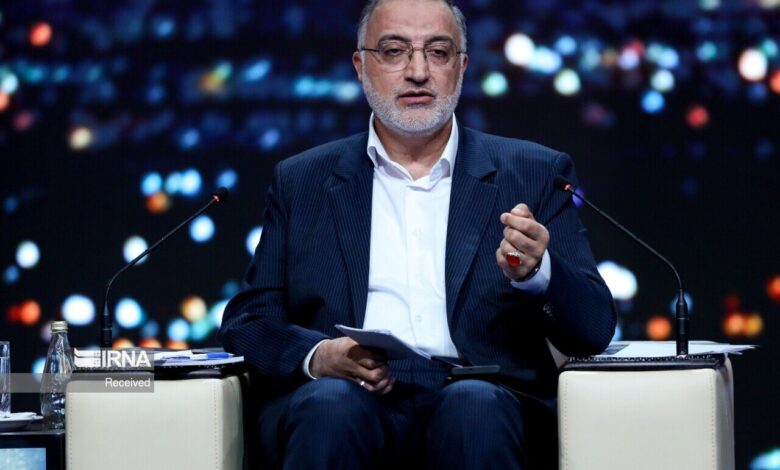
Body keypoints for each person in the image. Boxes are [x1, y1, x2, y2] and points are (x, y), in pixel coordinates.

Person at [219, 0, 616, 468]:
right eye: (394, 51)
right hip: (344, 399)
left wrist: (538, 273)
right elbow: (250, 321)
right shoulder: (301, 180)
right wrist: (318, 356)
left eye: (438, 52)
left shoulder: (534, 172)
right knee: (331, 406)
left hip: (482, 401)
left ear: (461, 67)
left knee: (473, 408)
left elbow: (593, 330)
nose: (418, 72)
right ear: (360, 65)